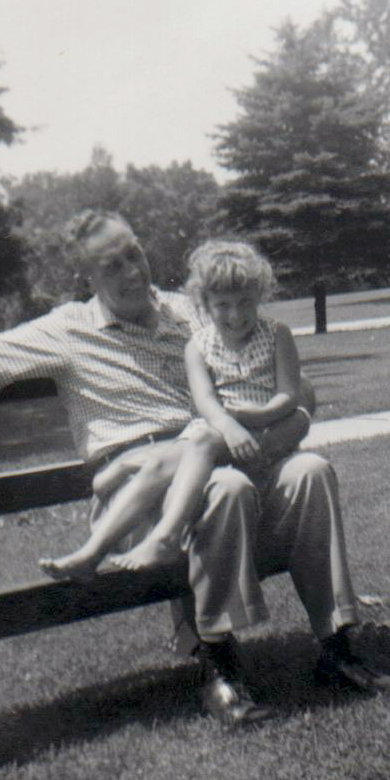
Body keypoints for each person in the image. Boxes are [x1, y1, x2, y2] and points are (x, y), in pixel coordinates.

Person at [0, 213, 390, 724]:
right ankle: (218, 661)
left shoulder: (195, 312)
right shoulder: (67, 330)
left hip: (213, 452)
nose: (132, 271)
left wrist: (286, 429)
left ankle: (338, 646)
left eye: (135, 254)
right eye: (113, 264)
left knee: (310, 472)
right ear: (88, 274)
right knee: (226, 486)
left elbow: (296, 388)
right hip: (138, 486)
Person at [38, 234, 311, 582]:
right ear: (205, 303)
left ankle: (166, 536)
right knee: (158, 464)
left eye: (245, 302)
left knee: (197, 444)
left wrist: (247, 418)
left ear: (259, 295)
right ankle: (90, 553)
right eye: (223, 305)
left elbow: (290, 395)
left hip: (260, 429)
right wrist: (227, 424)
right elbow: (205, 402)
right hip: (219, 428)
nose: (236, 314)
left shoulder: (277, 334)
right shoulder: (200, 344)